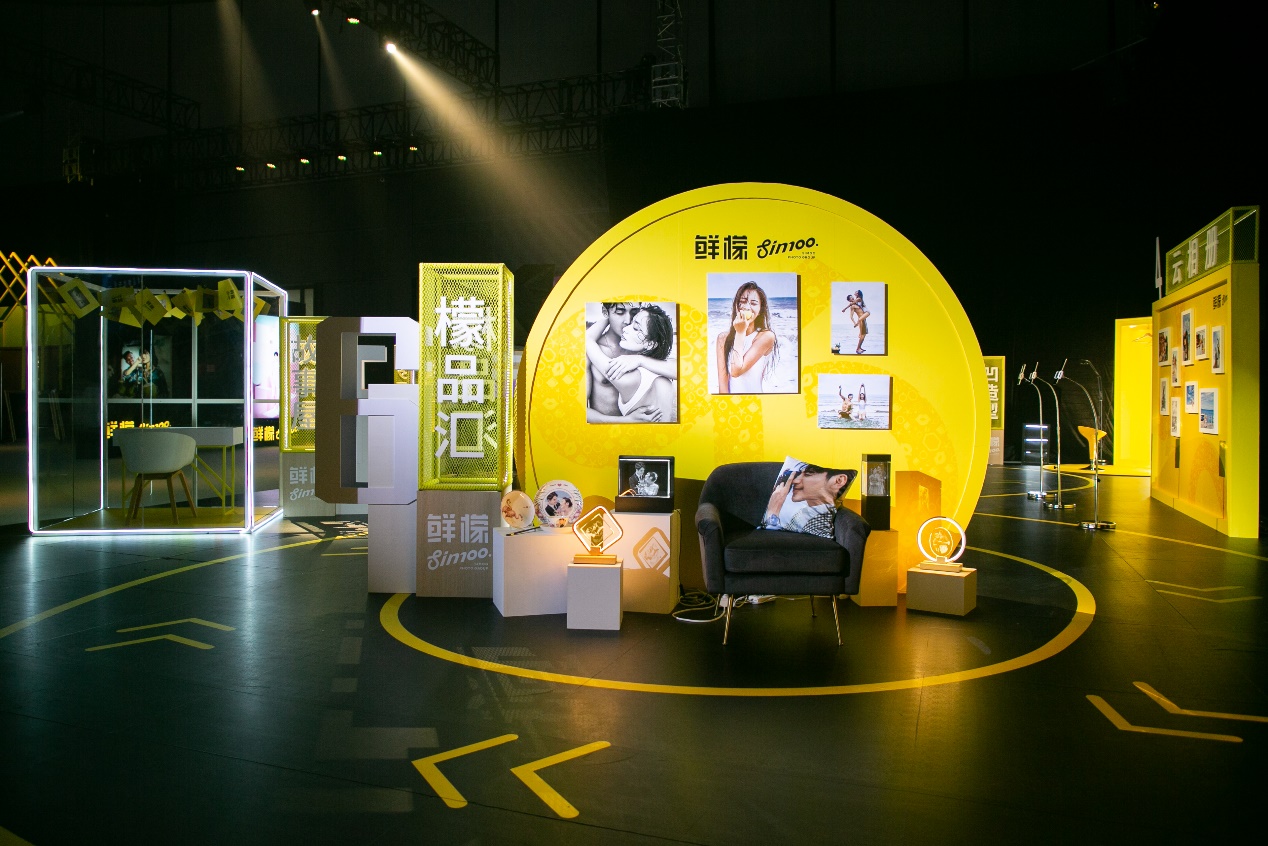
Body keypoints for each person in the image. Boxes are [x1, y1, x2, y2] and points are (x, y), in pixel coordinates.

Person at [585, 305, 677, 422]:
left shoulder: (630, 379)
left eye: (636, 328)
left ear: (650, 344)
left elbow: (587, 339)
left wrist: (610, 317)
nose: (626, 327)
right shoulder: (661, 368)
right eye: (620, 312)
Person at [760, 463, 854, 538]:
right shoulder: (804, 513)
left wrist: (773, 511)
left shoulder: (816, 520)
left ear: (839, 480)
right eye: (798, 475)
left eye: (808, 474)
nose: (795, 481)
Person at [716, 281, 778, 393]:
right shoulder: (723, 339)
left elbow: (736, 371)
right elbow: (723, 386)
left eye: (753, 303)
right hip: (732, 402)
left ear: (760, 310)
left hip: (755, 400)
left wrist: (740, 333)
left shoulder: (766, 336)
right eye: (743, 301)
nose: (747, 307)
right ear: (736, 306)